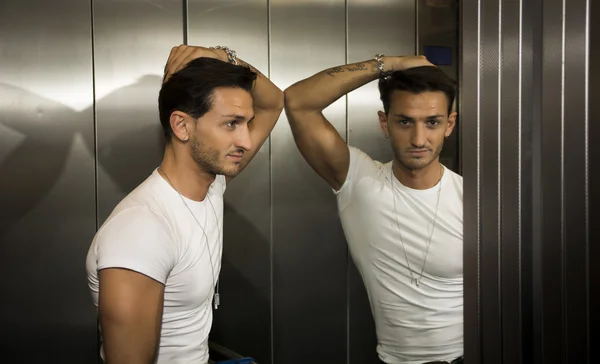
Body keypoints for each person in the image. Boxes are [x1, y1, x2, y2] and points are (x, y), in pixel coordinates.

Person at [85, 44, 284, 364]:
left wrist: (224, 56)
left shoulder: (211, 187)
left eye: (247, 123)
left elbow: (274, 102)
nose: (246, 141)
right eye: (231, 123)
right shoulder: (141, 232)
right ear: (181, 126)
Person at [284, 55, 463, 364]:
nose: (419, 139)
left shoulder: (472, 199)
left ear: (450, 124)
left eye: (432, 122)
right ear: (385, 123)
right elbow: (298, 101)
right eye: (405, 121)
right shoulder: (360, 182)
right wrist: (390, 63)